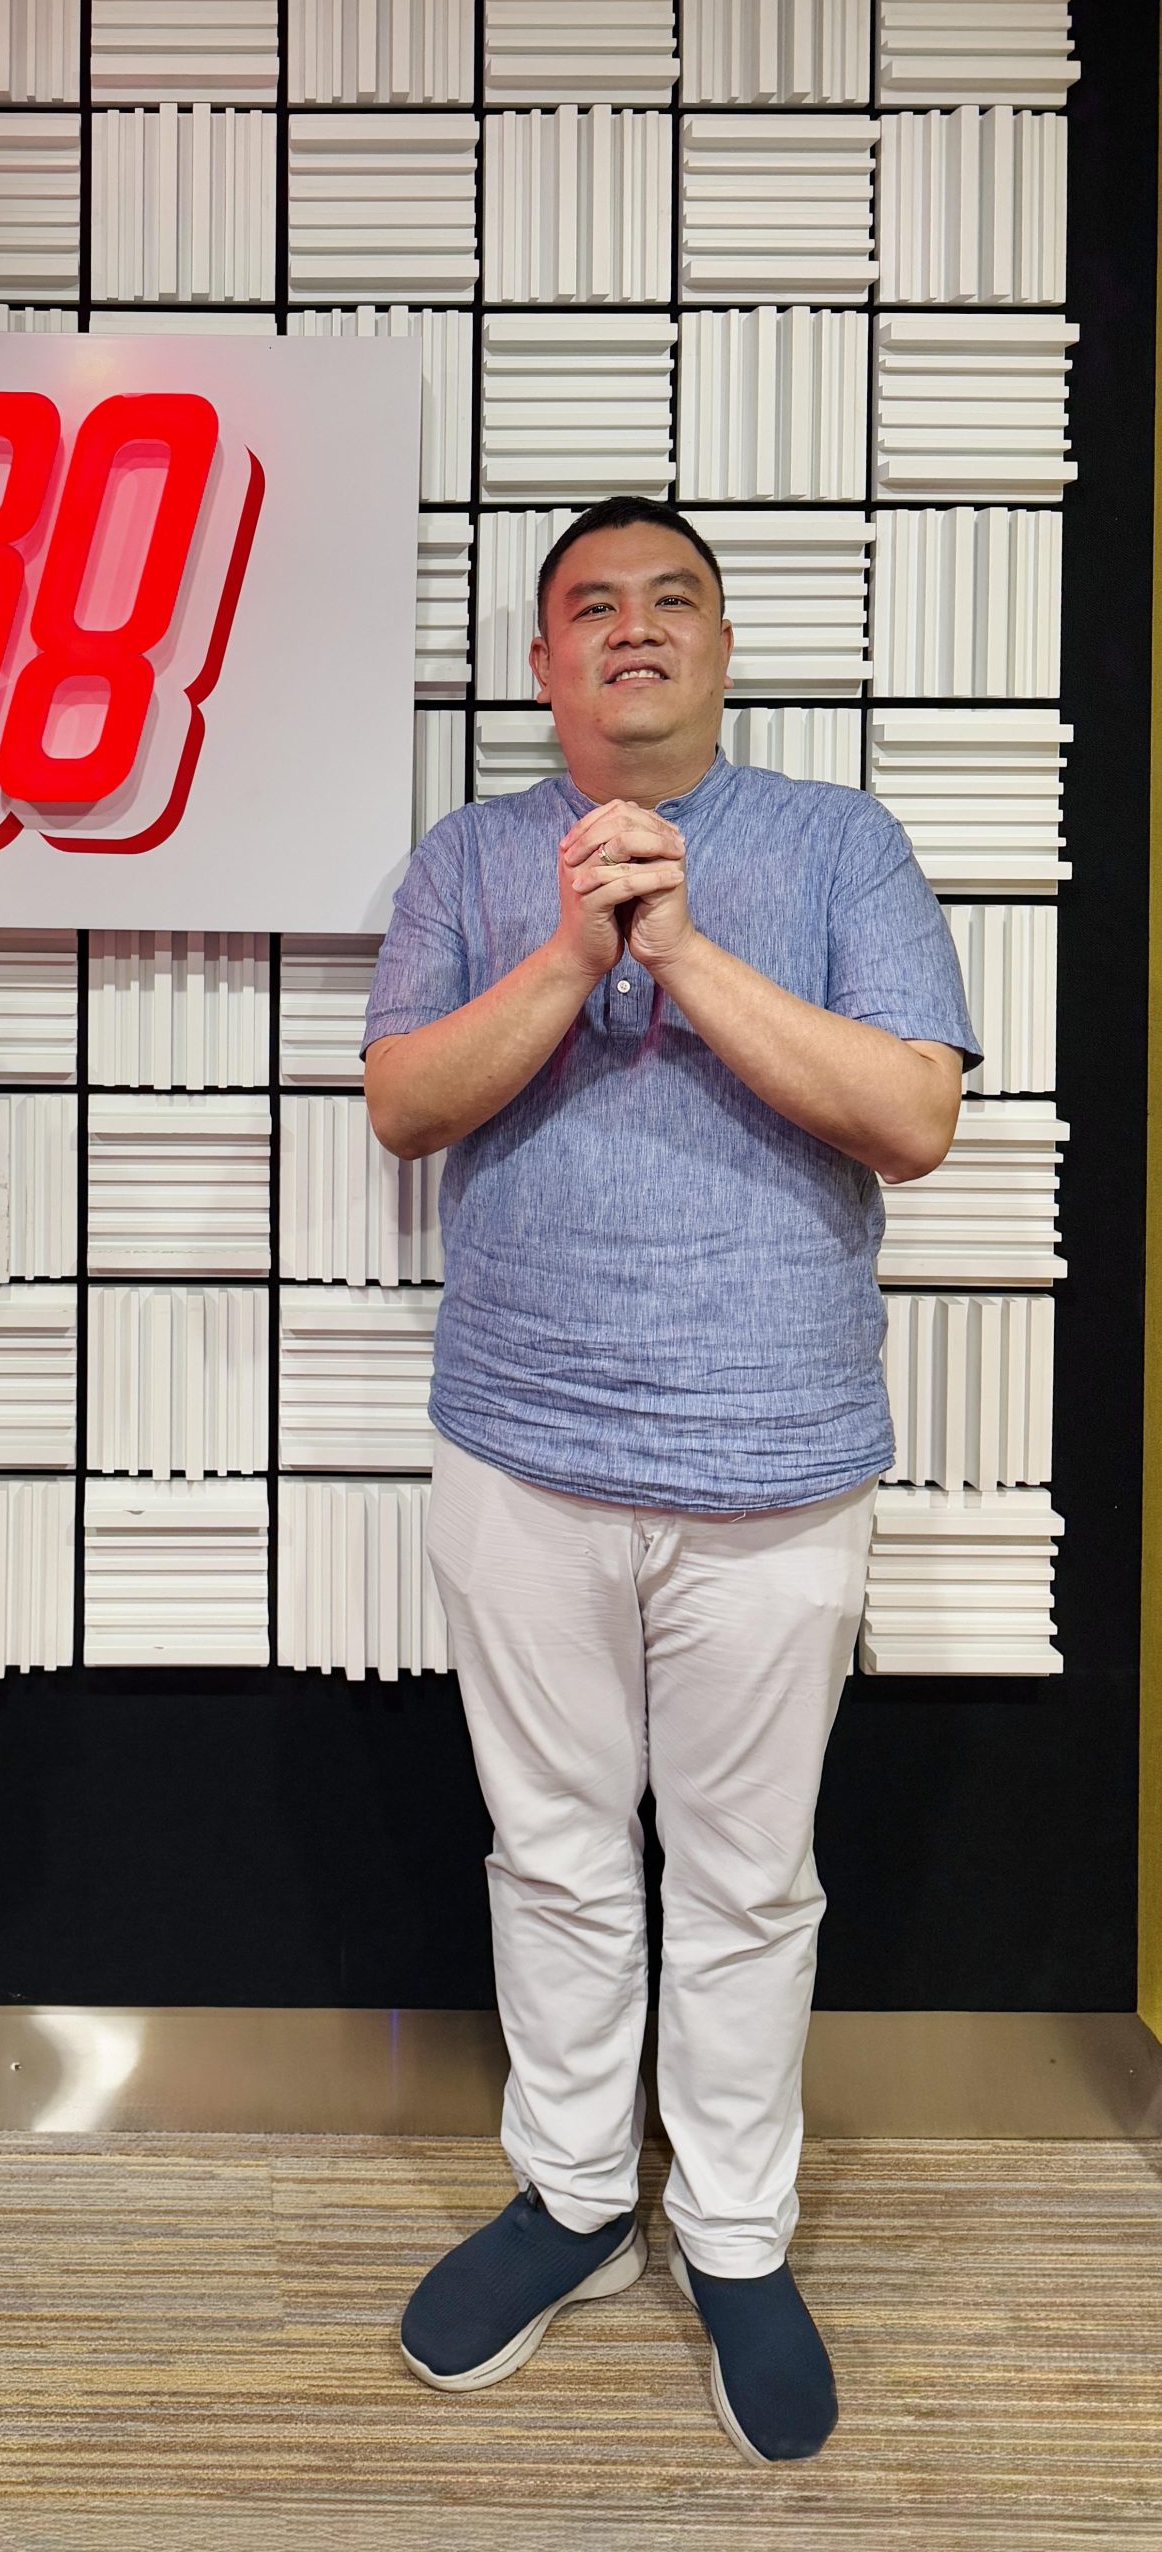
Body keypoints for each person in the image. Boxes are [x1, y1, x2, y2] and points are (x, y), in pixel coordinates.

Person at [364, 498, 977, 2464]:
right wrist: (571, 949)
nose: (634, 628)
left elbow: (914, 1113)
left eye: (672, 599)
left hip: (777, 1456)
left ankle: (734, 2232)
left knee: (744, 1875)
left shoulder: (839, 844)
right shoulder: (470, 858)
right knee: (549, 1847)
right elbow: (404, 1101)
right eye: (592, 606)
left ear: (720, 645)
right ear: (544, 660)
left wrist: (686, 948)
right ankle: (571, 2196)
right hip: (521, 1448)